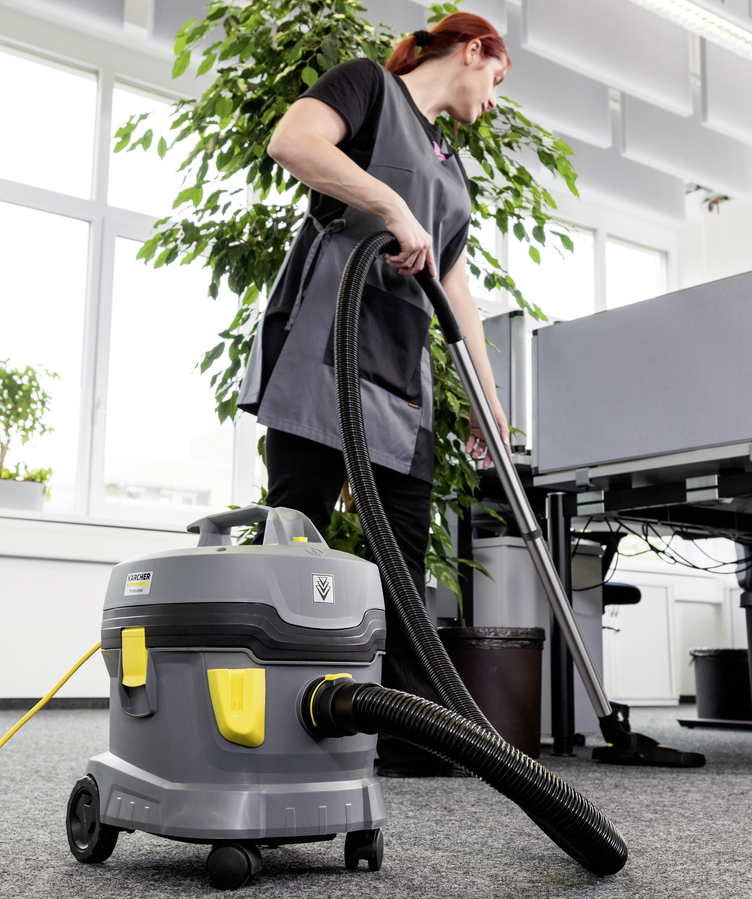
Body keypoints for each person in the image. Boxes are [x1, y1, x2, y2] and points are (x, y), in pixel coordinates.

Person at [236, 13, 511, 775]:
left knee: (405, 556)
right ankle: (265, 713)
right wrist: (390, 206)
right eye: (498, 77)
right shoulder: (366, 87)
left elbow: (454, 284)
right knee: (297, 534)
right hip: (325, 348)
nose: (494, 96)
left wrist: (488, 396)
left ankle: (411, 731)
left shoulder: (450, 164)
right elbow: (293, 142)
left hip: (399, 373)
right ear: (473, 50)